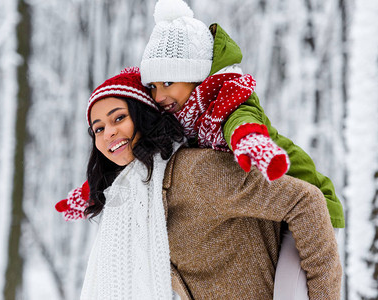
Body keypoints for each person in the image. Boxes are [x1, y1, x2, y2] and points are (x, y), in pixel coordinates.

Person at [55, 67, 342, 299]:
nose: (109, 133)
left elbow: (306, 201)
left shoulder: (195, 172)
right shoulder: (133, 204)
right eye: (98, 129)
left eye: (119, 118)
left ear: (143, 118)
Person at [139, 0, 344, 297]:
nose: (160, 95)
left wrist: (251, 143)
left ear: (196, 76)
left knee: (288, 293)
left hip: (308, 206)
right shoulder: (185, 118)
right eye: (153, 86)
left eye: (168, 82)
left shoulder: (229, 98)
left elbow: (241, 122)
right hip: (275, 208)